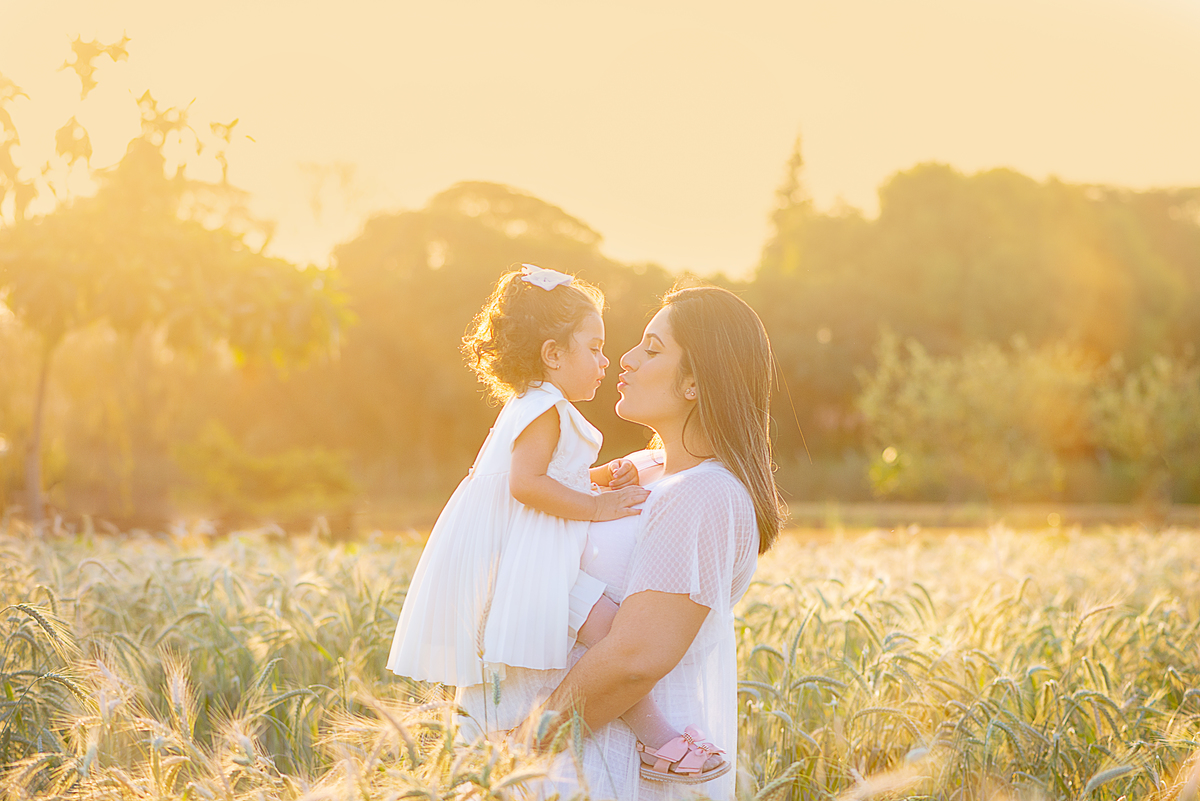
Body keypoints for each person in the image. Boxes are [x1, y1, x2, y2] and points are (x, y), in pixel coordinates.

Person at [388, 265, 729, 784]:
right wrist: (596, 506)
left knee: (613, 639)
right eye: (594, 348)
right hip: (533, 553)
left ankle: (657, 739)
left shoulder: (535, 406)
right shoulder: (545, 408)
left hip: (531, 545)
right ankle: (661, 740)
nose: (607, 360)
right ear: (553, 354)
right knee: (615, 639)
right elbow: (526, 485)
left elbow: (547, 476)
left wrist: (601, 476)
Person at [460, 283, 784, 799]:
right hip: (543, 757)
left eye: (652, 349)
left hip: (599, 769)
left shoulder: (701, 492)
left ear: (696, 383)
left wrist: (521, 745)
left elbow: (635, 656)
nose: (625, 361)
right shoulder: (648, 471)